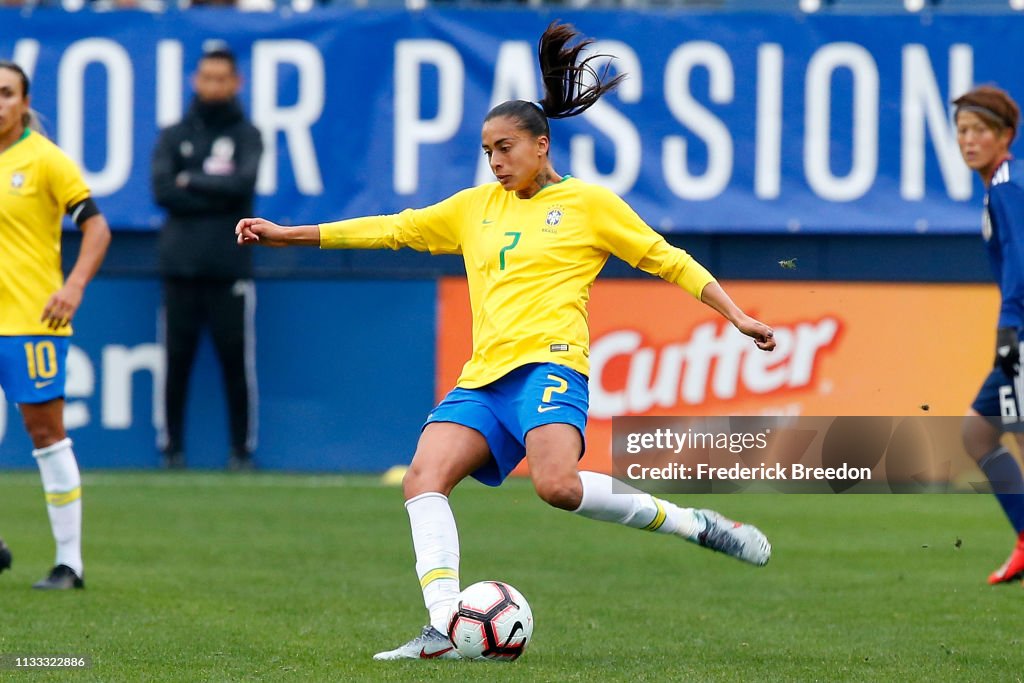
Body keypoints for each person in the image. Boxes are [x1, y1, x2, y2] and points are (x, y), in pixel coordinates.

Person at [236, 22, 775, 659]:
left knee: (558, 488)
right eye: (488, 149)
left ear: (541, 146)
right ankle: (443, 627)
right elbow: (391, 229)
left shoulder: (589, 205)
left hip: (550, 365)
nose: (495, 160)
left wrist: (734, 314)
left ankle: (696, 524)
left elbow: (668, 259)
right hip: (483, 380)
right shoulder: (474, 207)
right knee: (422, 480)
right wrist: (288, 233)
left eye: (506, 147)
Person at [0, 60, 112, 590]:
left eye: (6, 93)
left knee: (45, 433)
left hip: (30, 322)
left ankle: (70, 562)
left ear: (24, 102)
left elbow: (96, 227)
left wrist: (73, 287)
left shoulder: (44, 160)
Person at [152, 47, 263, 471]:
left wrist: (191, 178)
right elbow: (163, 191)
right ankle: (172, 449)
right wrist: (214, 186)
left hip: (229, 265)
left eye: (222, 78)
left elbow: (243, 185)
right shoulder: (173, 133)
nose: (213, 85)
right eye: (206, 77)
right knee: (176, 361)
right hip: (179, 266)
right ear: (195, 80)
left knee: (235, 361)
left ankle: (241, 451)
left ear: (236, 83)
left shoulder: (247, 134)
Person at [954, 85, 1024, 585]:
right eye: (962, 130)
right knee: (978, 431)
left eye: (980, 130)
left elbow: (1021, 263)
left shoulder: (1007, 186)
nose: (969, 140)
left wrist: (1011, 332)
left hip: (1021, 331)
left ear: (1006, 136)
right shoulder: (1001, 183)